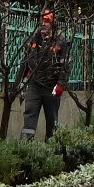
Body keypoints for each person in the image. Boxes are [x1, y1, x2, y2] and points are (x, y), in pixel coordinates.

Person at [19, 10, 73, 141]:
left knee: (52, 120)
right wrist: (19, 83)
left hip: (51, 87)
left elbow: (65, 66)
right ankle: (25, 145)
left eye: (47, 21)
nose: (43, 24)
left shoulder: (61, 42)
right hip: (34, 85)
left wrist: (60, 85)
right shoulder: (33, 40)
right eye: (42, 21)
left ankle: (52, 147)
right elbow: (24, 63)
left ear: (53, 23)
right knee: (29, 116)